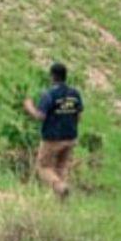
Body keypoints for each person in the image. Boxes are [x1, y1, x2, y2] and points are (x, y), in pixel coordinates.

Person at [23, 62, 85, 199]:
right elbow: (79, 116)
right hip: (70, 137)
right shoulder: (75, 94)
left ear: (52, 76)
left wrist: (29, 107)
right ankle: (61, 202)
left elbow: (40, 116)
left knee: (43, 168)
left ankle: (60, 187)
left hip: (52, 139)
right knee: (62, 168)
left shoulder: (49, 95)